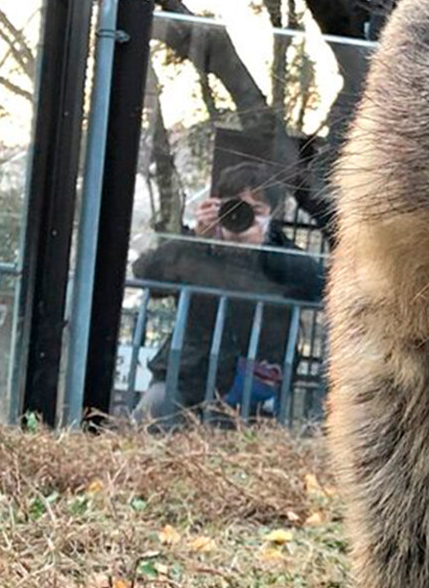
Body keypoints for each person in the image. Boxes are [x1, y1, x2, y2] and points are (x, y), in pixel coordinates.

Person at [131, 164, 324, 429]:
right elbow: (146, 274)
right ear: (217, 205)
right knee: (149, 418)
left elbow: (318, 285)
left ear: (273, 214)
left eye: (255, 211)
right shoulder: (198, 247)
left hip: (252, 389)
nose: (241, 217)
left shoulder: (283, 254)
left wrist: (263, 248)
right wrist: (196, 240)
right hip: (185, 377)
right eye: (233, 207)